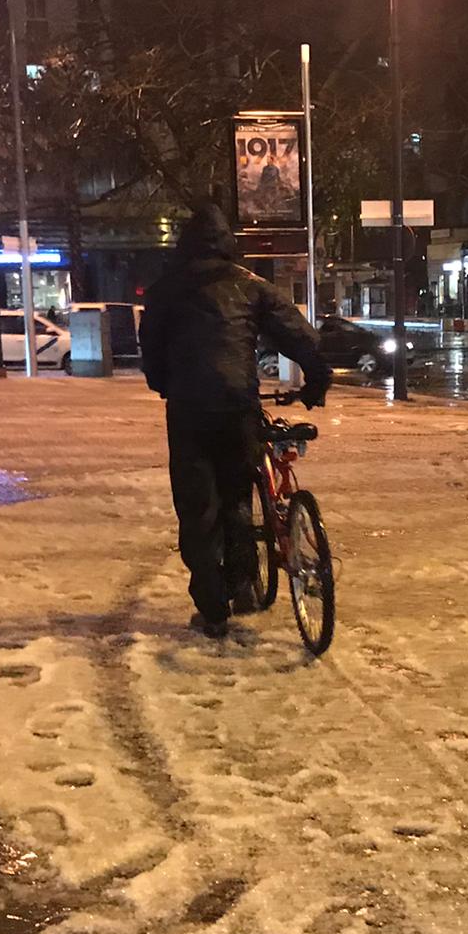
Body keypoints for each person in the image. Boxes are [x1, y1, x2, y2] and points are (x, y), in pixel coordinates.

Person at [139, 203, 329, 639]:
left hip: (188, 411)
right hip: (236, 406)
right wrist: (315, 382)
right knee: (238, 496)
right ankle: (243, 585)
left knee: (197, 507)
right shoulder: (251, 286)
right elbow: (298, 336)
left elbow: (152, 352)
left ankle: (212, 609)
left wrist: (165, 385)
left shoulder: (165, 290)